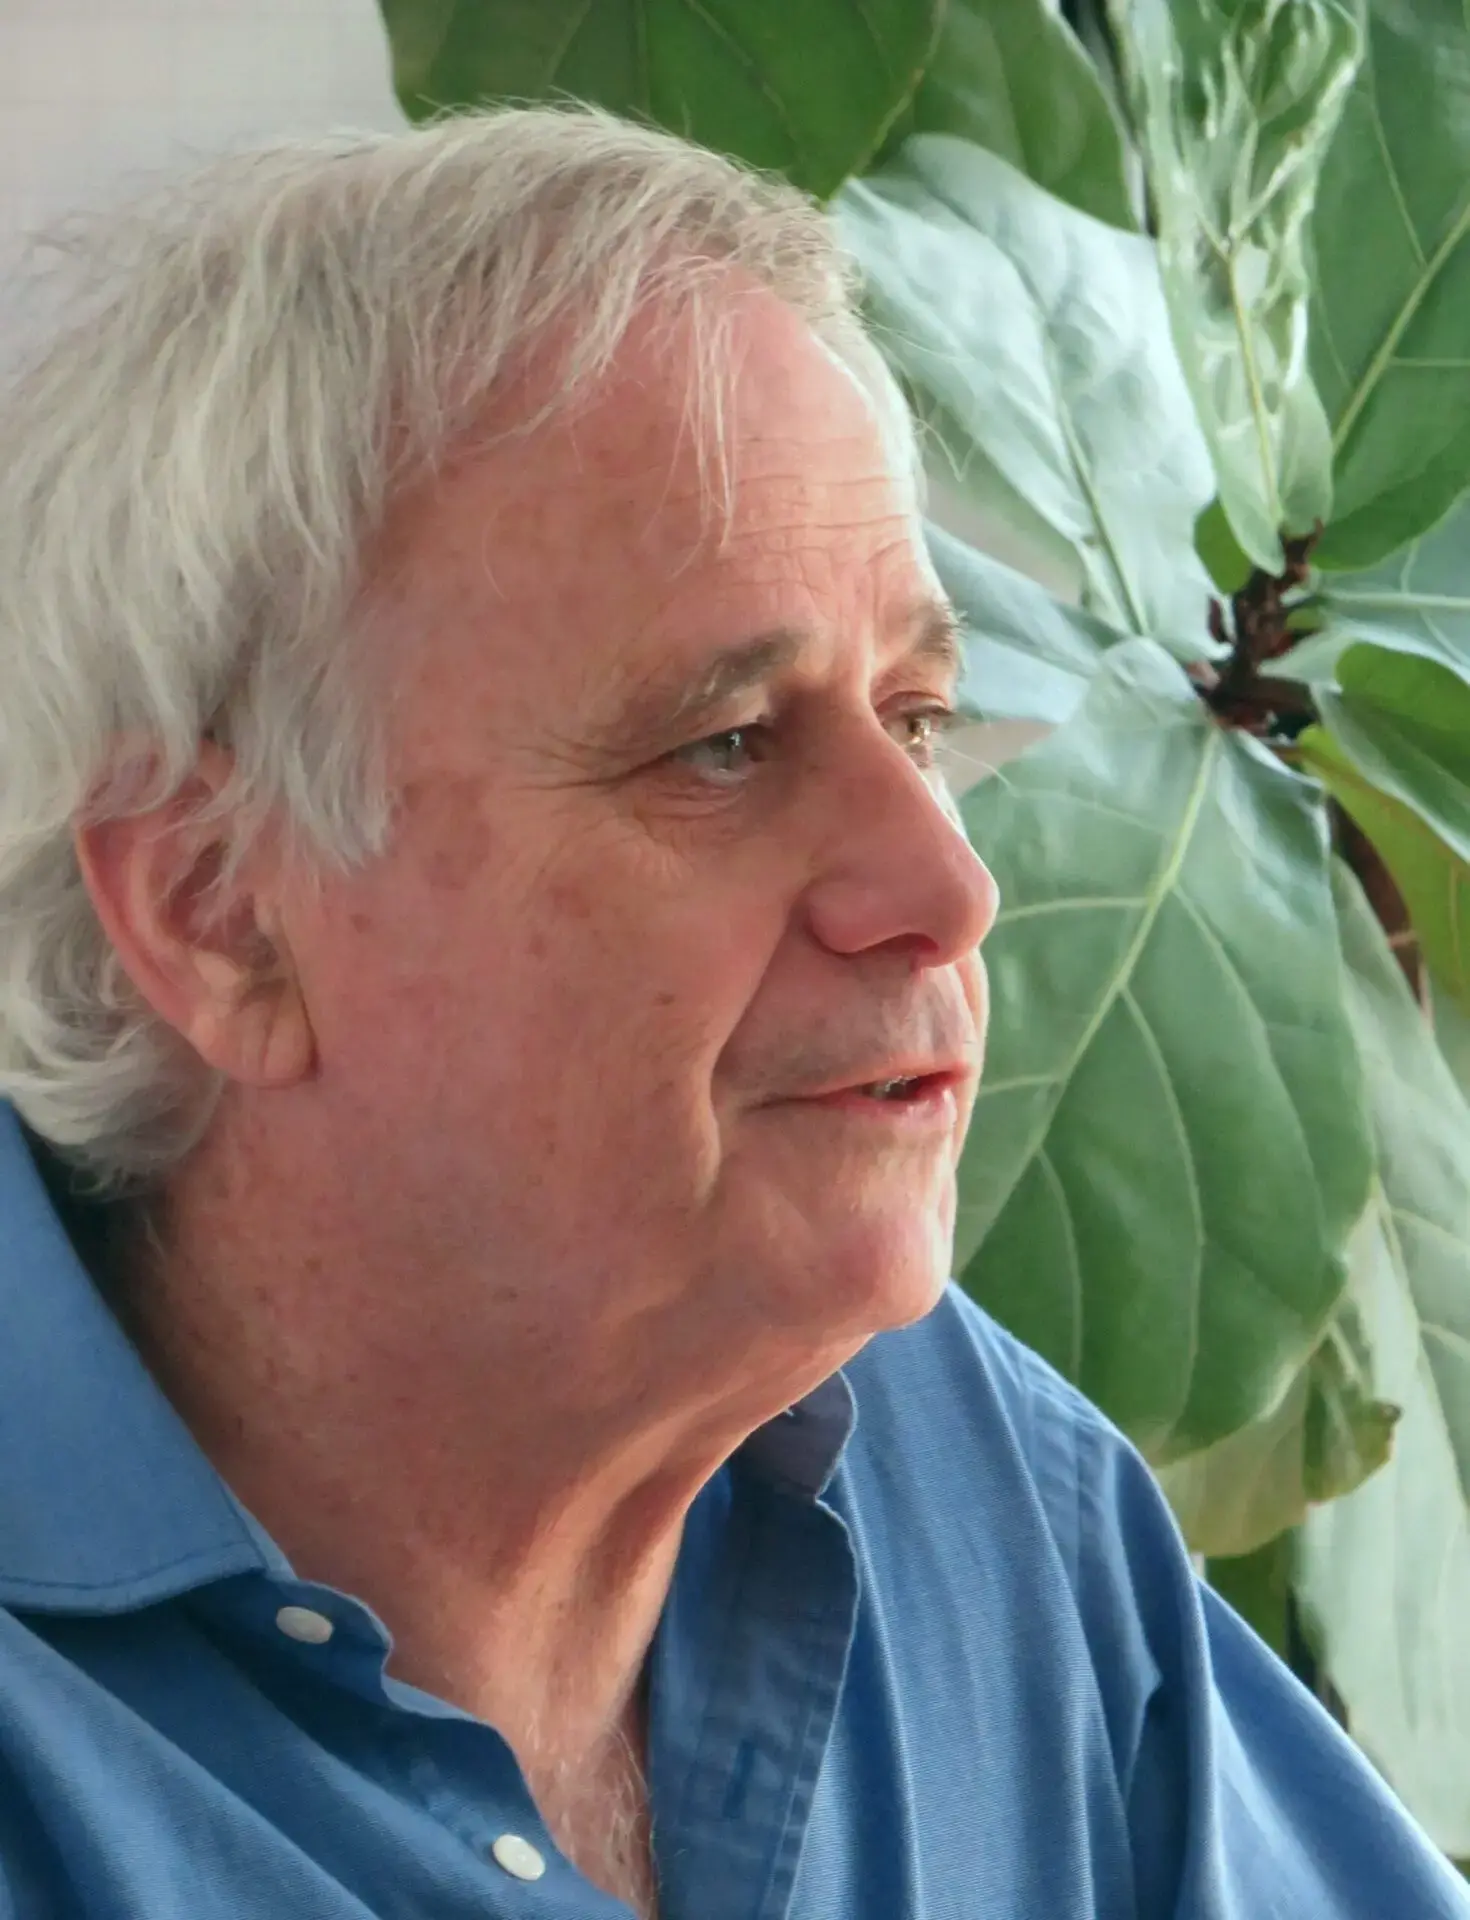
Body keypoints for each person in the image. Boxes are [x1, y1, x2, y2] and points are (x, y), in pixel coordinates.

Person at [0, 105, 1462, 1920]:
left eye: (917, 720)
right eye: (720, 747)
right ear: (219, 914)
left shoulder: (963, 1468)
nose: (947, 888)